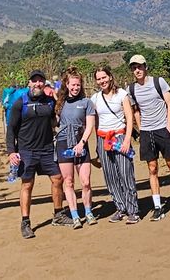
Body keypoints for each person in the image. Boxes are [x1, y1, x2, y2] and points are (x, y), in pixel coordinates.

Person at [6, 69, 72, 239]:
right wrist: (11, 152)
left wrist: (57, 99)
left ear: (44, 83)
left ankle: (58, 214)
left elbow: (56, 119)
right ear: (29, 83)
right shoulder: (20, 103)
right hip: (26, 151)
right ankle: (25, 222)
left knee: (58, 179)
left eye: (40, 81)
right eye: (34, 81)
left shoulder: (49, 102)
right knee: (27, 185)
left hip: (47, 149)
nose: (37, 84)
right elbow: (11, 129)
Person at [127, 54, 170, 220]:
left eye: (139, 66)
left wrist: (168, 126)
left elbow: (169, 103)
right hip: (147, 132)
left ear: (145, 67)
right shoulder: (132, 89)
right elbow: (135, 110)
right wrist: (141, 129)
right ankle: (157, 206)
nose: (137, 70)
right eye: (134, 68)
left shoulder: (158, 82)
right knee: (152, 168)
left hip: (162, 129)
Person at [89, 64, 140, 224]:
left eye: (104, 77)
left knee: (126, 174)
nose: (102, 81)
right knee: (110, 176)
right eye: (99, 79)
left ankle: (133, 210)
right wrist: (98, 145)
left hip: (119, 137)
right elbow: (95, 121)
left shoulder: (122, 95)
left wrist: (127, 139)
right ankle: (120, 207)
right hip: (103, 139)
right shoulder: (95, 98)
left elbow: (129, 118)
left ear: (110, 77)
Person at [55, 66, 98, 227]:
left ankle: (88, 212)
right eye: (72, 85)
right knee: (68, 181)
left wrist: (82, 143)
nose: (75, 88)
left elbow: (89, 126)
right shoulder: (60, 102)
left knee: (86, 181)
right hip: (63, 143)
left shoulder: (86, 103)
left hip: (81, 143)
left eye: (78, 85)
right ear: (66, 84)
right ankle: (74, 215)